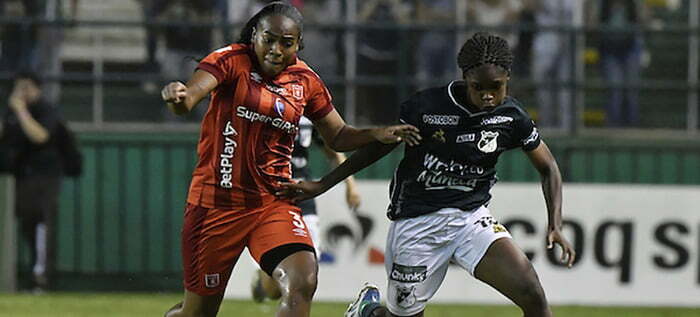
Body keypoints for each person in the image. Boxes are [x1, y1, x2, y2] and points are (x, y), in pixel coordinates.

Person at [280, 32, 577, 317]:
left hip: (471, 220)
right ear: (465, 79)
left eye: (496, 87)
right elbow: (377, 149)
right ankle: (368, 311)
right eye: (479, 88)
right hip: (417, 224)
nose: (488, 96)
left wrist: (555, 223)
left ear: (508, 79)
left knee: (533, 294)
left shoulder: (512, 117)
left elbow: (548, 167)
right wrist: (323, 184)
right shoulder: (428, 108)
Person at [159, 2, 419, 317]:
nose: (276, 49)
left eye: (286, 42)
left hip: (273, 202)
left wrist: (376, 133)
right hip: (217, 205)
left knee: (303, 280)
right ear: (254, 35)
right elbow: (189, 99)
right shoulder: (230, 60)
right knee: (197, 313)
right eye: (268, 39)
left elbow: (337, 135)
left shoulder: (305, 80)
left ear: (298, 45)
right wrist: (179, 97)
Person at [250, 115, 363, 302]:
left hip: (301, 191)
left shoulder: (311, 108)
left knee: (308, 261)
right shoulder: (265, 105)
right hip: (270, 190)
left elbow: (333, 149)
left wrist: (351, 185)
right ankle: (264, 277)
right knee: (273, 291)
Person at [0, 72, 64, 292]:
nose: (22, 94)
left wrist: (20, 110)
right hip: (18, 176)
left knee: (41, 226)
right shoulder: (10, 112)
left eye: (26, 88)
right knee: (28, 226)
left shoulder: (47, 110)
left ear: (38, 89)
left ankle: (41, 279)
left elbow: (40, 136)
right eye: (18, 88)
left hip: (44, 177)